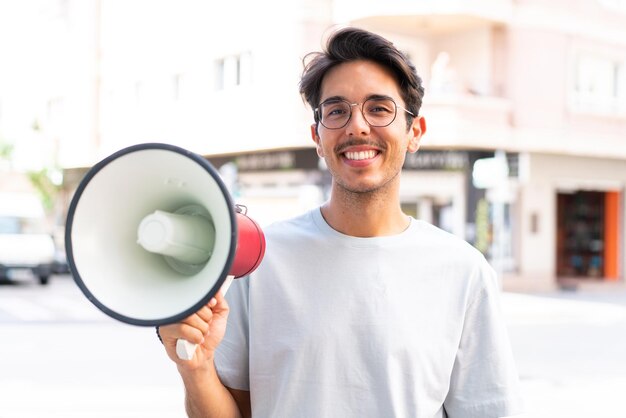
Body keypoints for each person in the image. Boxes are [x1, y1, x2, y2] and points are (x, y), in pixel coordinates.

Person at [158, 26, 524, 418]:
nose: (357, 127)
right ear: (317, 137)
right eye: (336, 111)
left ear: (414, 132)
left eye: (379, 108)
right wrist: (194, 368)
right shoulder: (260, 261)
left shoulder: (464, 271)